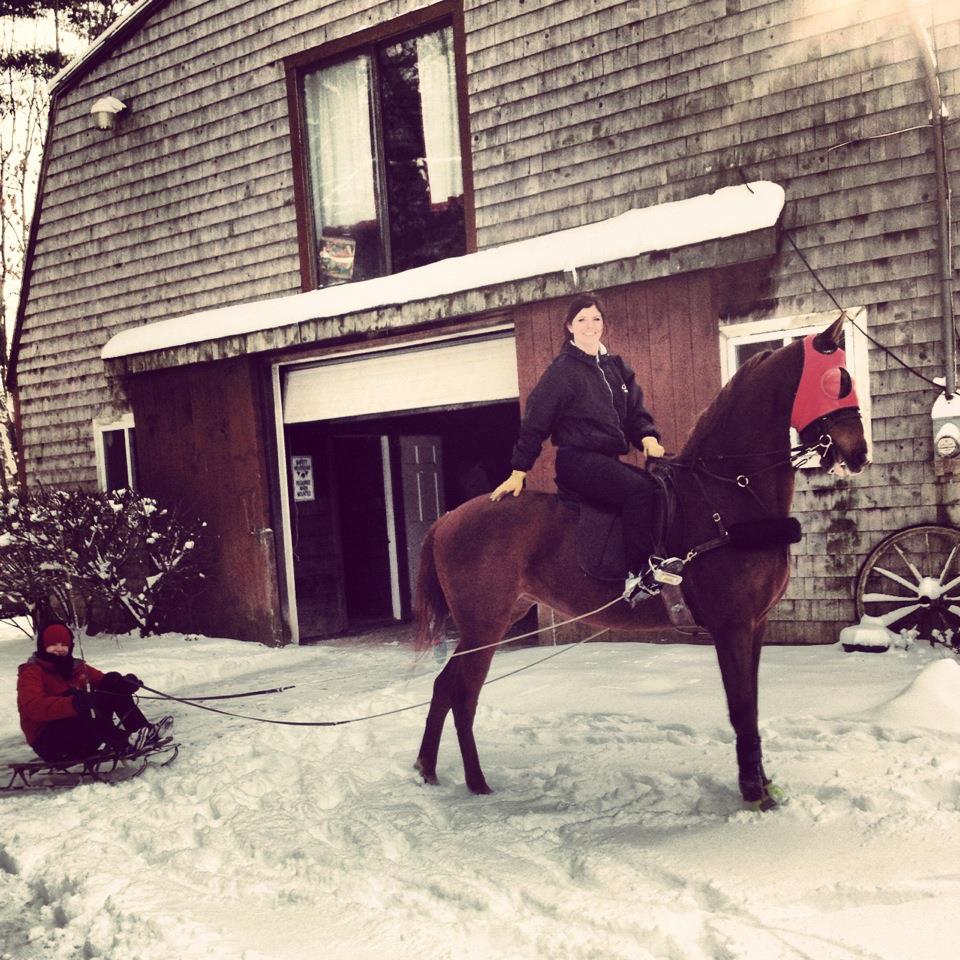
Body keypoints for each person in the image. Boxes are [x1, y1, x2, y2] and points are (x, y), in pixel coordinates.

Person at [490, 293, 683, 602]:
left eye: (596, 318)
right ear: (570, 326)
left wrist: (648, 437)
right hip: (577, 461)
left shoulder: (616, 367)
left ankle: (660, 557)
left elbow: (635, 411)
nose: (590, 325)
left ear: (603, 324)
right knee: (640, 490)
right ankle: (638, 575)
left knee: (660, 486)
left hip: (606, 460)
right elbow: (535, 422)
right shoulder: (562, 372)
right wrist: (518, 470)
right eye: (582, 319)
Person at [17, 621, 172, 763]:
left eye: (63, 644)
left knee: (114, 689)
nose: (59, 649)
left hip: (85, 738)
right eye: (53, 645)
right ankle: (126, 742)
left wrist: (122, 683)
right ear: (43, 646)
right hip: (52, 744)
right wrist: (74, 703)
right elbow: (34, 708)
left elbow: (102, 681)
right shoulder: (31, 672)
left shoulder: (75, 667)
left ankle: (142, 731)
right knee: (83, 703)